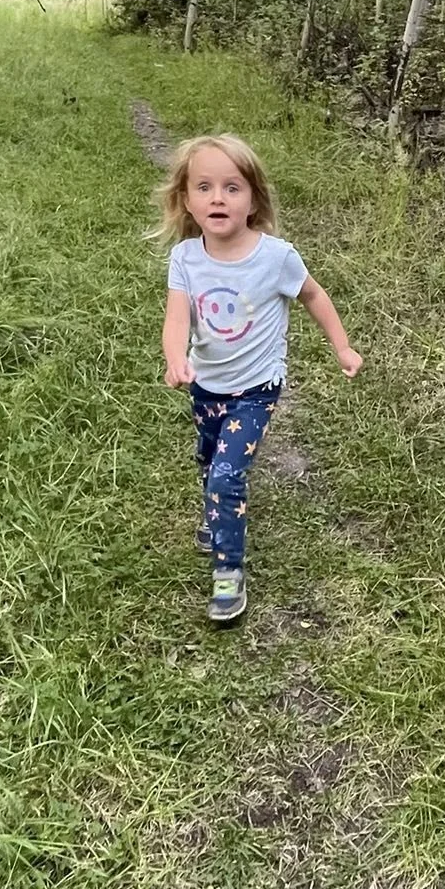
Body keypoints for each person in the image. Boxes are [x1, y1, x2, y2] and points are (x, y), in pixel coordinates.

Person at [158, 133, 361, 623]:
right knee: (208, 460)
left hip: (256, 388)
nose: (217, 198)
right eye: (204, 187)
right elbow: (177, 319)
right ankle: (215, 514)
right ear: (187, 199)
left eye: (232, 188)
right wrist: (174, 358)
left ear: (253, 200)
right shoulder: (186, 258)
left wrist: (342, 346)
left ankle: (228, 571)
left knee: (228, 474)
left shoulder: (275, 256)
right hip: (206, 383)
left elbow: (313, 295)